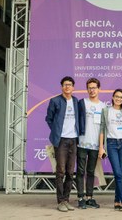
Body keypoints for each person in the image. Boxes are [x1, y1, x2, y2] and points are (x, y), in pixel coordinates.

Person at [45, 76, 80, 212]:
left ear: (73, 87)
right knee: (61, 172)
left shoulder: (76, 101)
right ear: (61, 87)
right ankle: (60, 201)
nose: (67, 87)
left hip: (73, 140)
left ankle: (66, 200)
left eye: (70, 85)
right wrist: (56, 132)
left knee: (70, 172)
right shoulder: (55, 101)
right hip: (61, 141)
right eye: (65, 85)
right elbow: (49, 119)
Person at [99, 89, 122, 211]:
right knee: (117, 173)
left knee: (120, 174)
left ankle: (117, 200)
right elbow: (102, 129)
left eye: (121, 97)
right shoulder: (106, 111)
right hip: (111, 144)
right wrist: (101, 147)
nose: (118, 99)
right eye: (116, 96)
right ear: (112, 97)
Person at [76, 78, 105, 209]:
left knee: (91, 172)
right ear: (87, 89)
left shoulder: (103, 106)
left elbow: (103, 128)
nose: (92, 90)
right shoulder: (82, 103)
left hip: (95, 145)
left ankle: (90, 197)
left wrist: (101, 146)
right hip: (82, 143)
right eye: (89, 88)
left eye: (94, 87)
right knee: (81, 171)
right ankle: (80, 197)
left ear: (99, 89)